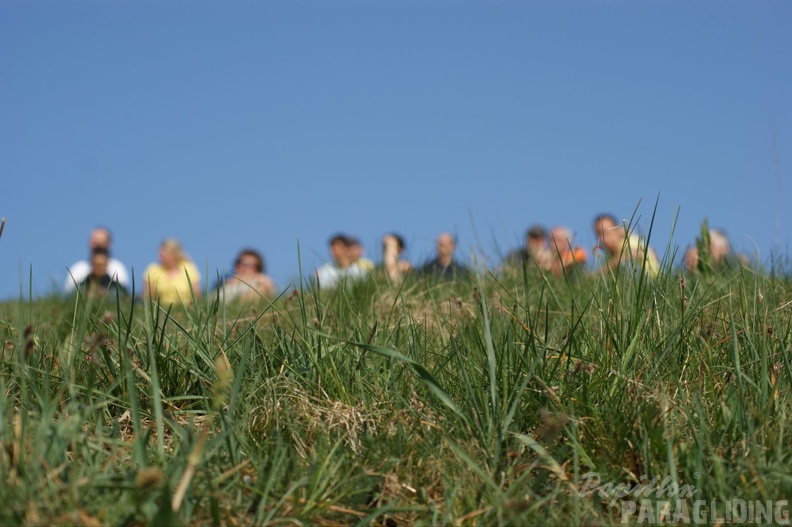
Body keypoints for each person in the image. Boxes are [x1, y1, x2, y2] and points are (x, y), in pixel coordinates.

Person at [65, 227, 130, 294]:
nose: (97, 248)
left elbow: (123, 294)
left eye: (101, 243)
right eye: (94, 243)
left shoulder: (118, 268)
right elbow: (69, 295)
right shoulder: (77, 269)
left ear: (108, 244)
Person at [593, 213, 660, 277]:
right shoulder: (612, 254)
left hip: (650, 281)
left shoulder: (628, 243)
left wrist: (596, 274)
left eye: (607, 233)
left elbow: (636, 253)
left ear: (618, 230)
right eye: (598, 234)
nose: (602, 239)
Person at [143, 239, 202, 306]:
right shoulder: (153, 270)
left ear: (174, 254)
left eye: (164, 251)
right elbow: (148, 297)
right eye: (160, 252)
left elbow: (196, 295)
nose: (160, 254)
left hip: (186, 310)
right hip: (161, 311)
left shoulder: (188, 268)